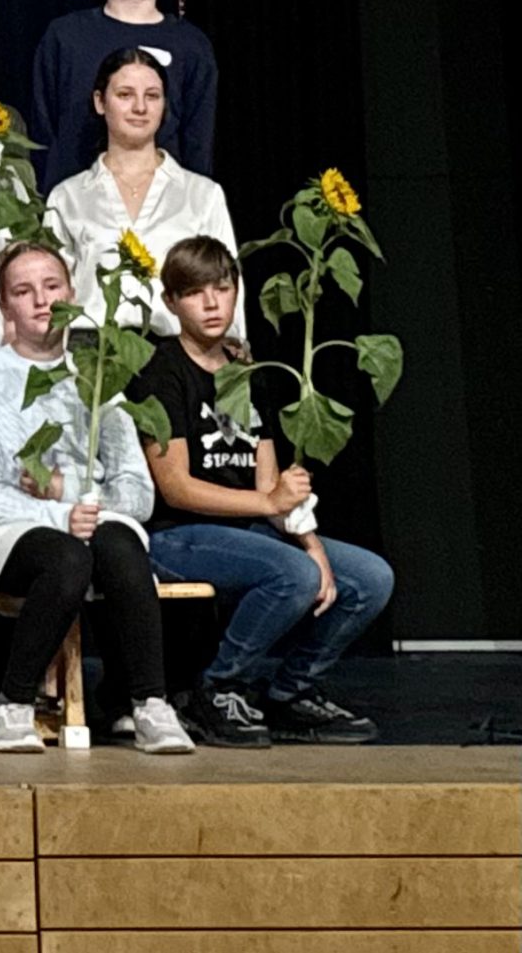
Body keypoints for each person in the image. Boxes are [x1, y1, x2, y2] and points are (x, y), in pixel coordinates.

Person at [132, 235, 394, 746]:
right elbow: (176, 487)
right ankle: (215, 689)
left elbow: (269, 481)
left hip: (251, 527)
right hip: (178, 533)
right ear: (171, 302)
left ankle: (289, 693)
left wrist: (312, 545)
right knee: (292, 574)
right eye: (195, 293)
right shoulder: (160, 371)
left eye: (222, 289)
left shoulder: (248, 370)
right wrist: (270, 508)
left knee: (369, 578)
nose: (212, 304)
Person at [0, 242, 194, 755]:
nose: (42, 301)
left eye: (52, 286)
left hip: (90, 514)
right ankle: (14, 704)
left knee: (120, 545)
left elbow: (137, 491)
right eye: (24, 291)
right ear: (5, 307)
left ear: (72, 293)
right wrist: (60, 514)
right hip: (9, 529)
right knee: (67, 557)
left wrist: (72, 495)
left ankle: (150, 702)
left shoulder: (97, 376)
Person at [45, 48, 241, 338]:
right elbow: (51, 291)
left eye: (152, 96)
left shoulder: (202, 194)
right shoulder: (67, 197)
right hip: (90, 353)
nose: (140, 107)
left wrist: (233, 344)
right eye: (125, 95)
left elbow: (227, 281)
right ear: (100, 101)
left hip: (178, 349)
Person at [30, 0, 218, 191]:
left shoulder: (190, 44)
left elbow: (198, 143)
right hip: (75, 201)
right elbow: (43, 132)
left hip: (164, 203)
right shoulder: (66, 36)